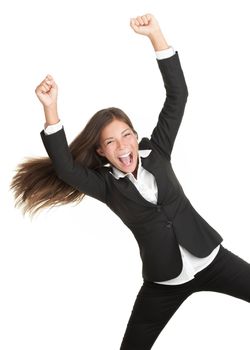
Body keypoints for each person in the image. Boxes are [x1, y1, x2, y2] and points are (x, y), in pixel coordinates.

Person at [11, 13, 250, 350]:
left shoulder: (159, 152)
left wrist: (156, 36)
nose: (123, 145)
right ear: (101, 151)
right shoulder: (105, 186)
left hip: (212, 260)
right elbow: (65, 168)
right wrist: (51, 108)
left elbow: (177, 96)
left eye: (127, 135)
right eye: (111, 142)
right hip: (163, 283)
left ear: (136, 137)